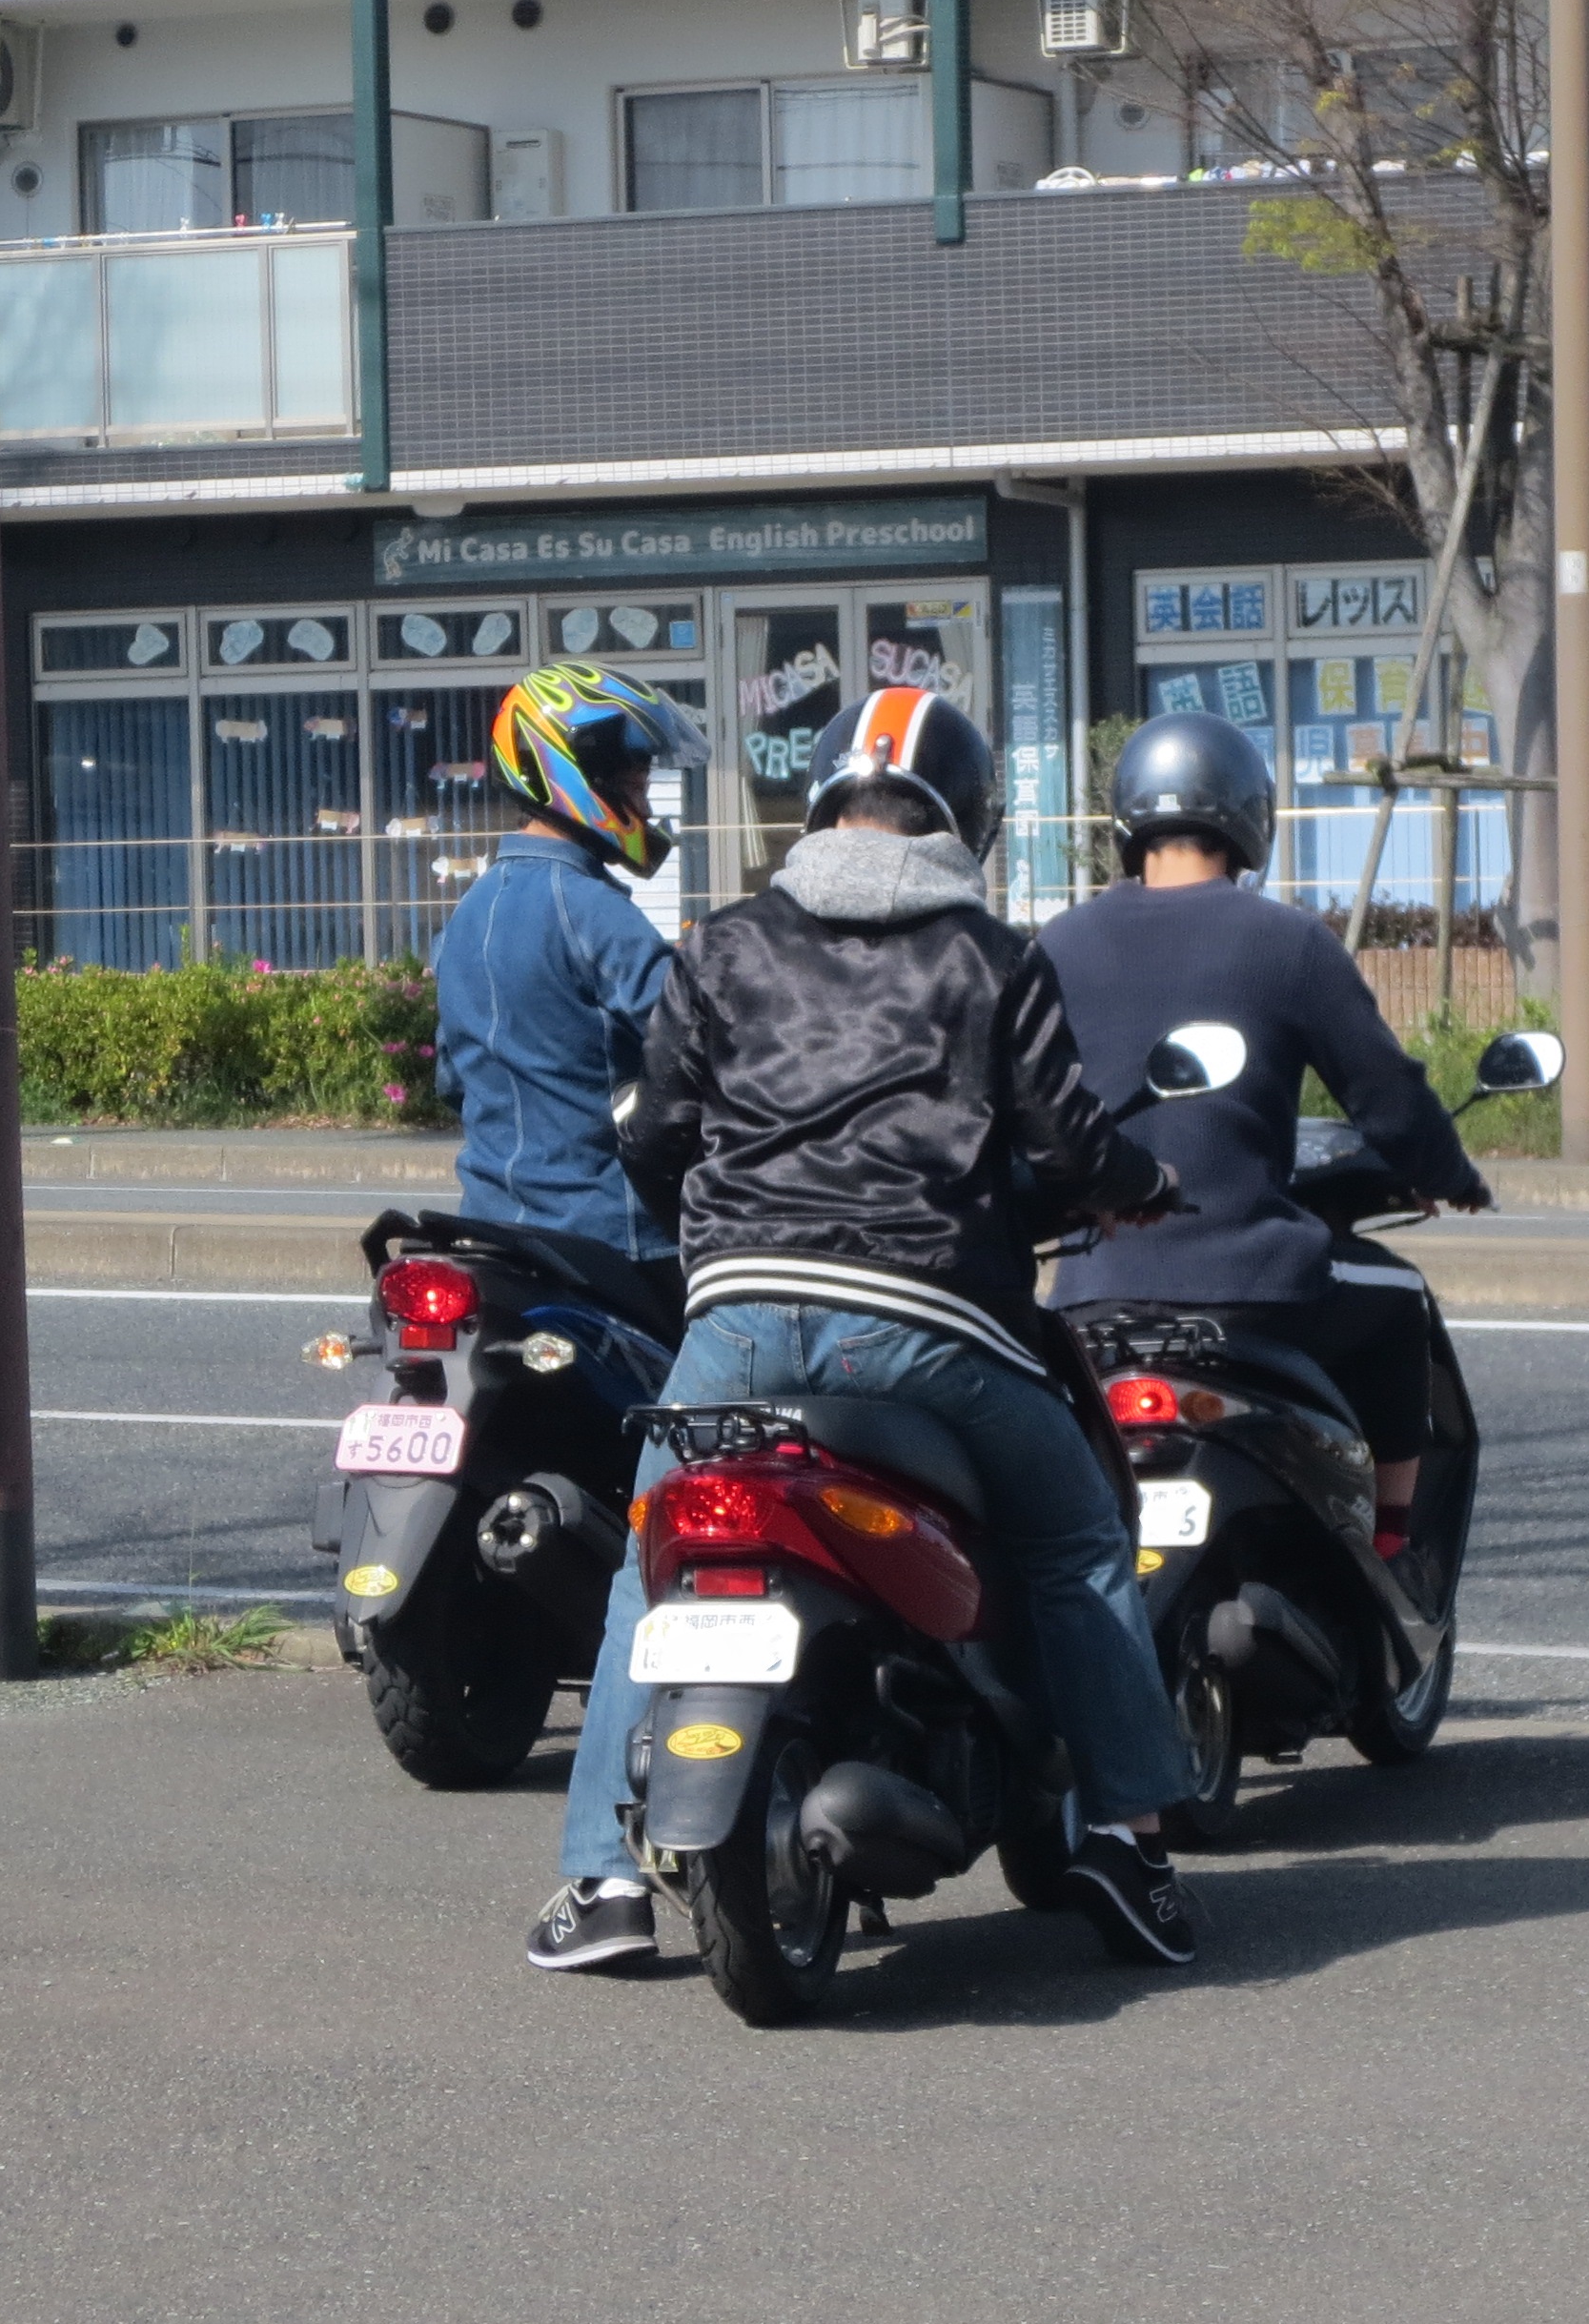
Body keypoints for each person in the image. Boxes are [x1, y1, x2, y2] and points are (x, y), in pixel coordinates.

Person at [523, 683, 1210, 1979]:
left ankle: (600, 1882)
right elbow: (1067, 1145)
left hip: (730, 1329)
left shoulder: (721, 946)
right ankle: (1125, 1834)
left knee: (642, 1564)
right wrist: (1139, 1188)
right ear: (971, 817)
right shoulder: (994, 957)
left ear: (823, 803)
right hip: (932, 1326)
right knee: (1076, 1544)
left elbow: (655, 1140)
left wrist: (722, 1242)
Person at [1037, 711, 1492, 1576]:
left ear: (1127, 819)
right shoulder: (1287, 942)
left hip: (1091, 1300)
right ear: (1249, 818)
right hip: (1251, 1295)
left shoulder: (1058, 944)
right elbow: (1386, 1095)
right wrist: (1450, 1175)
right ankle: (1391, 1546)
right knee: (1395, 1302)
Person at [430, 662, 705, 1254]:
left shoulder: (465, 917)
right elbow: (698, 1046)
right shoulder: (594, 913)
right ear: (582, 770)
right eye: (633, 771)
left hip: (491, 1223)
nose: (643, 789)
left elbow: (454, 1080)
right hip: (610, 1232)